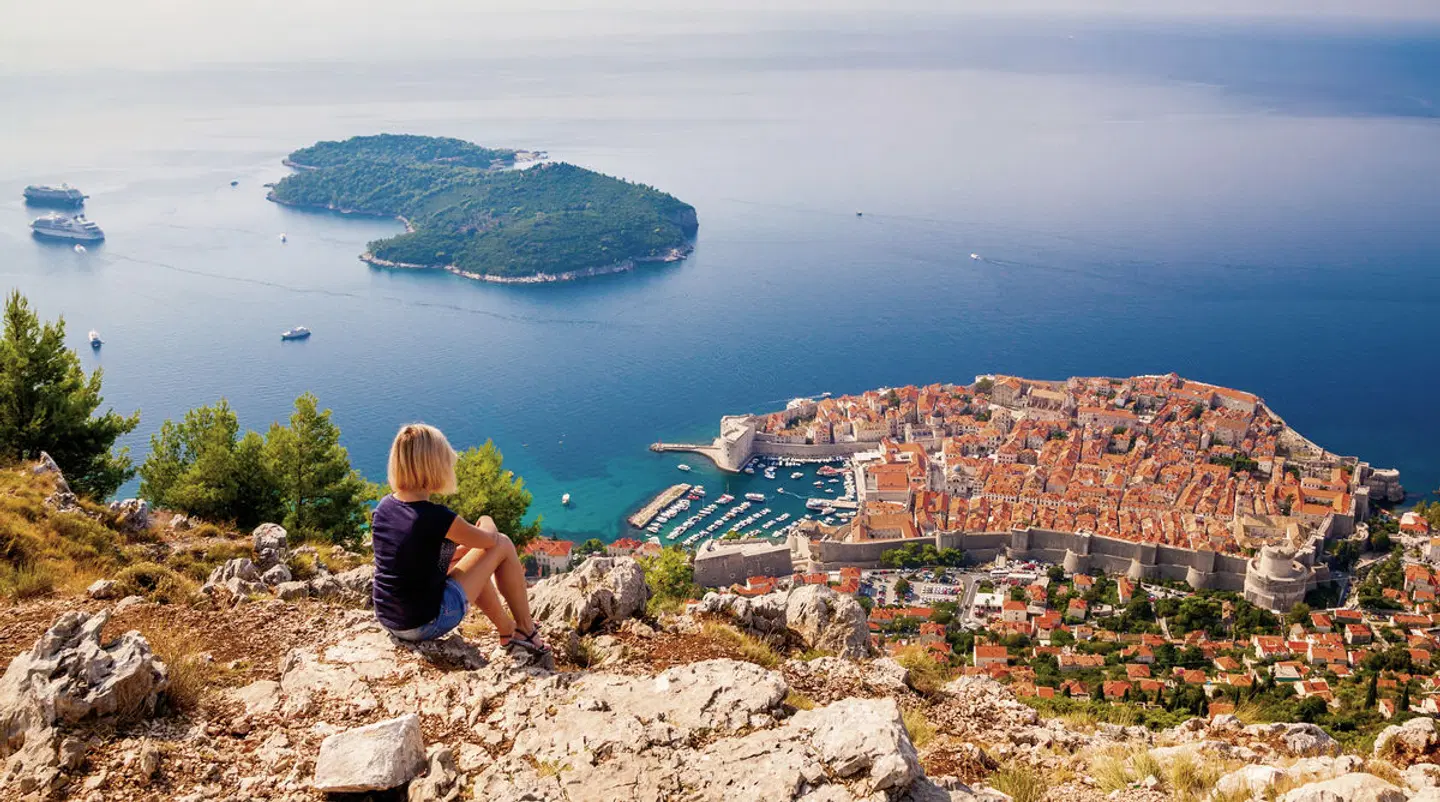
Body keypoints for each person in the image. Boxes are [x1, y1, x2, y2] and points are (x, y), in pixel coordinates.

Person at [371, 423, 549, 656]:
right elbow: (489, 540)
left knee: (465, 554)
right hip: (424, 624)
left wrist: (464, 550)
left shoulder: (385, 507)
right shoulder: (435, 517)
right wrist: (486, 518)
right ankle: (526, 630)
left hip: (389, 618)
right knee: (502, 543)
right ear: (435, 466)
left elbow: (414, 563)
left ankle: (507, 630)